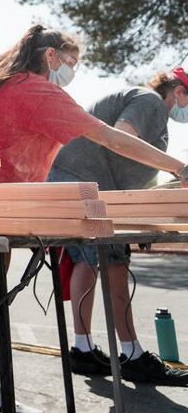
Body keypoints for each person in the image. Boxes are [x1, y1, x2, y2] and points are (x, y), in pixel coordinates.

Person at [0, 25, 187, 413]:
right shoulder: (37, 90)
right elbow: (110, 138)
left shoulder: (2, 83)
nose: (73, 71)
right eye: (71, 62)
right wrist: (179, 166)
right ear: (51, 56)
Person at [46, 67, 188, 385]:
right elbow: (122, 137)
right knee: (112, 263)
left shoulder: (145, 103)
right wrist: (181, 170)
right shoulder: (150, 102)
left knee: (88, 261)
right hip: (88, 184)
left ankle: (84, 349)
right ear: (179, 91)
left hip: (79, 180)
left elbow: (129, 161)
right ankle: (132, 355)